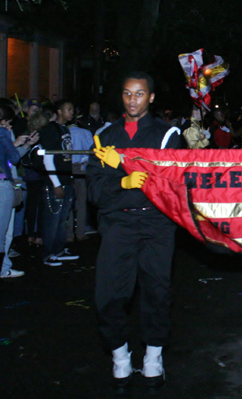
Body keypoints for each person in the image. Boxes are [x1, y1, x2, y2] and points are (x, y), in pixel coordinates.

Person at [87, 72, 182, 389]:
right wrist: (125, 183)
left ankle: (153, 357)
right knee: (109, 294)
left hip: (157, 224)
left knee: (157, 292)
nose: (132, 100)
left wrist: (123, 165)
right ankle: (120, 357)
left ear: (151, 97)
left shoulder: (168, 135)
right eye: (127, 93)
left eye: (139, 93)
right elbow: (96, 192)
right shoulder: (105, 135)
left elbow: (167, 184)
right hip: (118, 224)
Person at [0, 104, 34, 289]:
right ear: (5, 120)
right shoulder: (1, 133)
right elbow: (13, 158)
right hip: (1, 185)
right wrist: (24, 144)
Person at [37, 100, 80, 266]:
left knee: (62, 219)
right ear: (59, 111)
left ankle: (59, 249)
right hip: (55, 181)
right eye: (68, 109)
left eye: (72, 109)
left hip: (66, 178)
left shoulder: (65, 129)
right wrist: (55, 183)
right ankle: (48, 253)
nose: (72, 112)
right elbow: (48, 157)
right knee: (52, 219)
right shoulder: (51, 129)